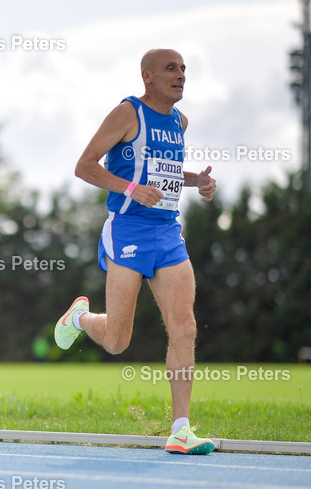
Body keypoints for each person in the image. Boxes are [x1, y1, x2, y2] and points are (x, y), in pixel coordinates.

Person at [53, 48, 218, 455]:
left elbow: (161, 169)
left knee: (185, 327)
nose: (180, 75)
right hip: (127, 229)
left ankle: (181, 429)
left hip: (167, 233)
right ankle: (82, 317)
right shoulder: (128, 113)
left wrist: (196, 180)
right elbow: (85, 165)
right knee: (116, 342)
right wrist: (129, 189)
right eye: (171, 69)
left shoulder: (180, 121)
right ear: (147, 77)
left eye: (183, 69)